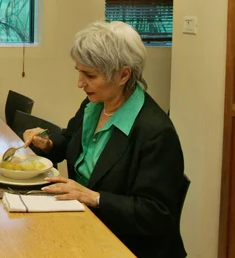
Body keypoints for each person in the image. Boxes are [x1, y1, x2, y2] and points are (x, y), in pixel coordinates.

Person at [23, 21, 186, 258]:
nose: (80, 83)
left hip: (127, 247)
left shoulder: (156, 132)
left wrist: (94, 197)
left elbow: (156, 214)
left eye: (89, 75)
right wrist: (47, 144)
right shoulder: (94, 105)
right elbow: (70, 141)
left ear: (123, 75)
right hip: (87, 229)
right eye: (79, 72)